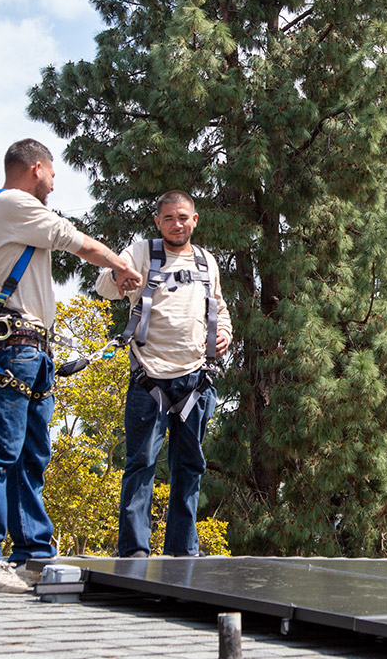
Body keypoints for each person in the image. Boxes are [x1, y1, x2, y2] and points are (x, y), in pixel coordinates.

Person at [0, 138, 142, 593]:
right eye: (54, 175)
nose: (54, 185)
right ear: (37, 168)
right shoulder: (12, 203)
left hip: (33, 347)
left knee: (31, 454)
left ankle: (33, 554)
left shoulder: (9, 212)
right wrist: (121, 265)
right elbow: (72, 240)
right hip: (14, 342)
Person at [95, 190, 232, 558]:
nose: (177, 224)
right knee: (140, 464)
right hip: (150, 378)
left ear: (195, 220)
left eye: (183, 217)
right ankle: (134, 552)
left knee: (189, 467)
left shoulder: (206, 262)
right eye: (169, 218)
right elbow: (104, 286)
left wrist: (225, 334)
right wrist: (119, 275)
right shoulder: (142, 252)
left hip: (195, 381)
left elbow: (219, 306)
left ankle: (182, 553)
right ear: (158, 222)